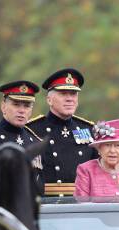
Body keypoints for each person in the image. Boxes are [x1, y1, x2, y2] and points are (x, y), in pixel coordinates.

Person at [26, 68, 97, 197]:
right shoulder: (31, 129)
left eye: (73, 94)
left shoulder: (88, 129)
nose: (69, 99)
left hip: (83, 205)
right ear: (49, 100)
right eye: (63, 94)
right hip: (47, 205)